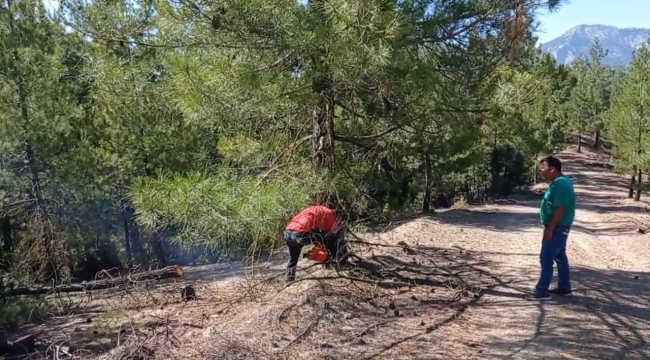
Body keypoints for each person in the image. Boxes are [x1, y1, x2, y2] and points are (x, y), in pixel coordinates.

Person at [529, 156, 576, 301]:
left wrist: (550, 228)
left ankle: (541, 290)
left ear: (552, 169)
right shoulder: (560, 182)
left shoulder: (561, 184)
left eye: (543, 167)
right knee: (560, 257)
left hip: (557, 227)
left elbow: (561, 208)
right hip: (559, 227)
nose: (541, 171)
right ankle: (564, 287)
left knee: (546, 256)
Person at [283, 204, 346, 282]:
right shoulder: (331, 215)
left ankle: (289, 280)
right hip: (302, 233)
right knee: (331, 238)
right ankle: (337, 263)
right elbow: (332, 236)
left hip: (288, 232)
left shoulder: (318, 209)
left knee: (293, 258)